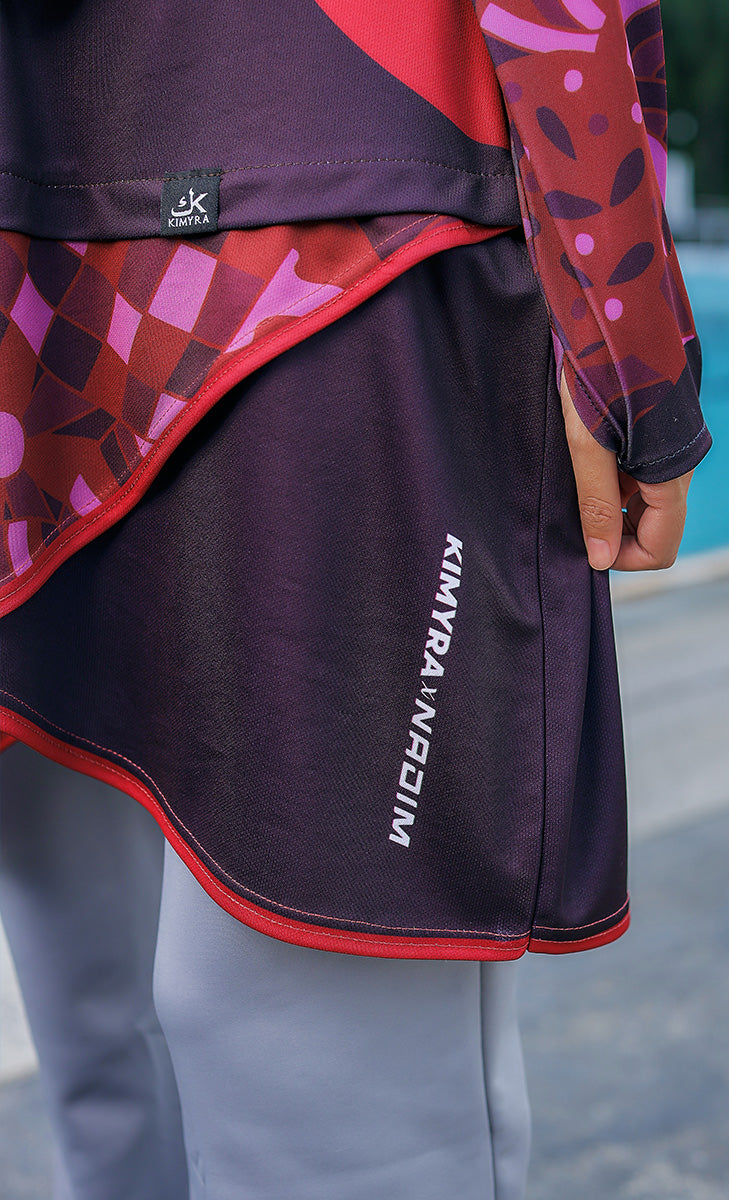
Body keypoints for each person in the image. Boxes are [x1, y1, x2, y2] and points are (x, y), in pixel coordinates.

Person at [0, 2, 710, 1197]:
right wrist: (628, 336)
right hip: (330, 215)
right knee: (273, 1080)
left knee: (176, 1049)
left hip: (175, 263)